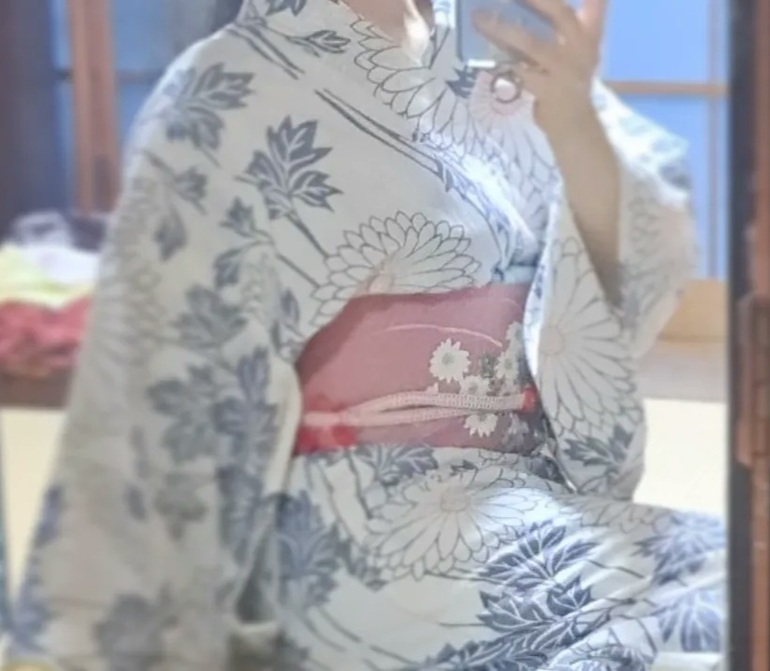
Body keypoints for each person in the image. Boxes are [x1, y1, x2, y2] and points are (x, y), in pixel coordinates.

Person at [5, 0, 724, 669]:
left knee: (733, 577)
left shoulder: (494, 59)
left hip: (525, 490)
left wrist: (576, 128)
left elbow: (640, 262)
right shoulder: (227, 86)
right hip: (360, 524)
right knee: (710, 606)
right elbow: (162, 392)